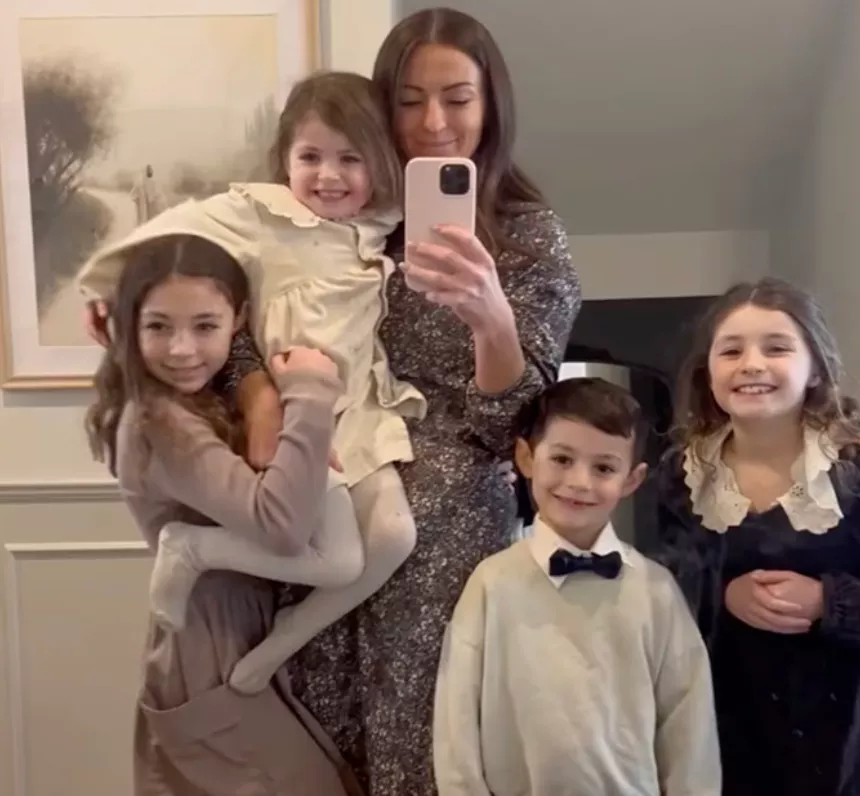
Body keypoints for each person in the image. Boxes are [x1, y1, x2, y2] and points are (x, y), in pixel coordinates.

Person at [85, 9, 582, 794]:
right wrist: (257, 398)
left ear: (492, 106)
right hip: (308, 508)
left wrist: (492, 317)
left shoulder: (526, 238)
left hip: (444, 553)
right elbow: (236, 322)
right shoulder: (337, 209)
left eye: (457, 98)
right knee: (310, 756)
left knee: (431, 754)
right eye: (410, 100)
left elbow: (513, 429)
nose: (434, 122)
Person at [77, 71, 425, 695]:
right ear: (284, 158)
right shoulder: (261, 214)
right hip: (303, 418)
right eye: (310, 157)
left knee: (396, 536)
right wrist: (105, 292)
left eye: (351, 159)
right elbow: (164, 233)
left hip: (362, 412)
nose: (328, 176)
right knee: (341, 558)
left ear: (379, 162)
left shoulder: (383, 224)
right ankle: (194, 549)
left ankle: (289, 632)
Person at [83, 233, 359, 794]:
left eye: (205, 326)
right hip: (206, 647)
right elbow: (281, 528)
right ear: (129, 327)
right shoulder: (160, 422)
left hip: (231, 632)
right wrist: (309, 392)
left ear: (239, 322)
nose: (182, 349)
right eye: (159, 327)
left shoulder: (198, 399)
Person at [433, 377, 720, 796]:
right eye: (562, 459)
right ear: (526, 458)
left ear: (631, 480)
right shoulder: (491, 584)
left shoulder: (656, 591)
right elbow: (455, 725)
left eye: (603, 468)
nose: (580, 482)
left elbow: (690, 726)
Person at [653, 277, 860, 796]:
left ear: (814, 368)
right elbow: (666, 586)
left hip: (851, 737)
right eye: (731, 351)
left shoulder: (859, 469)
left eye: (776, 348)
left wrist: (828, 601)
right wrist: (722, 594)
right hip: (728, 729)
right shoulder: (682, 475)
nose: (751, 364)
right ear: (708, 372)